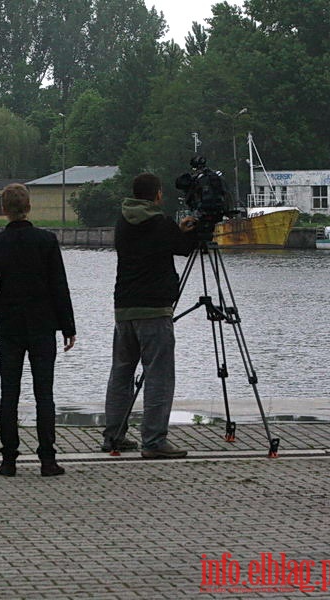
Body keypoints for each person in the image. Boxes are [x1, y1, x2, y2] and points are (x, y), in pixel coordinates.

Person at [0, 183, 76, 477]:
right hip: (42, 325)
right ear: (29, 207)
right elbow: (59, 286)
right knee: (43, 393)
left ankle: (8, 459)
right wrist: (67, 326)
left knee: (8, 393)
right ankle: (47, 459)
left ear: (3, 209)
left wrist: (4, 311)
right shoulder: (47, 241)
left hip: (10, 328)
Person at [102, 173, 197, 459]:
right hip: (154, 309)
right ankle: (154, 440)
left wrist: (175, 231)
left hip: (124, 308)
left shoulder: (123, 222)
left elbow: (159, 241)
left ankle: (114, 436)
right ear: (156, 195)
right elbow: (183, 247)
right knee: (159, 375)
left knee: (121, 373)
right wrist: (191, 230)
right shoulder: (160, 223)